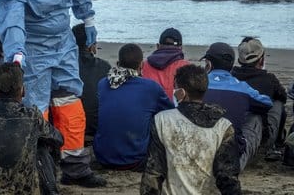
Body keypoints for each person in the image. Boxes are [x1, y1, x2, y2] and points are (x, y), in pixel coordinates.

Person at [0, 0, 105, 187]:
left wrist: (88, 20)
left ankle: (75, 166)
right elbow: (12, 21)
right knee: (36, 109)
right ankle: (36, 166)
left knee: (69, 102)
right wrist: (16, 53)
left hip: (63, 44)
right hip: (32, 48)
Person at [141, 64, 241, 194]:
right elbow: (228, 178)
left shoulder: (162, 120)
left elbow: (153, 173)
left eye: (175, 87)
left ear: (182, 92)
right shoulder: (223, 126)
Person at [0, 63, 63, 195]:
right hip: (23, 190)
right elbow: (58, 139)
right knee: (41, 149)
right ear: (23, 90)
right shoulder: (32, 115)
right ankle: (52, 191)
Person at [93, 44, 173, 170]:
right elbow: (170, 113)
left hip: (102, 157)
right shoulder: (151, 87)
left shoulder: (103, 83)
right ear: (142, 65)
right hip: (135, 160)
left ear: (118, 63)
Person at [201, 42, 273, 171]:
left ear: (209, 64)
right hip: (230, 162)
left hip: (196, 154)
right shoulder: (242, 87)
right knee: (255, 117)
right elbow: (267, 104)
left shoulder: (196, 86)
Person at [230, 37, 287, 161]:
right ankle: (277, 143)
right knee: (278, 103)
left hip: (233, 132)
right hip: (260, 135)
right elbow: (283, 96)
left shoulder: (231, 76)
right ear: (261, 59)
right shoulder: (269, 79)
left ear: (240, 59)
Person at [72, 23, 110, 140]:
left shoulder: (64, 68)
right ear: (91, 46)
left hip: (70, 127)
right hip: (96, 128)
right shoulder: (105, 67)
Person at [141, 28, 191, 99]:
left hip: (149, 107)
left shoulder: (144, 66)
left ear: (158, 46)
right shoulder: (187, 67)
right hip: (176, 108)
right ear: (181, 48)